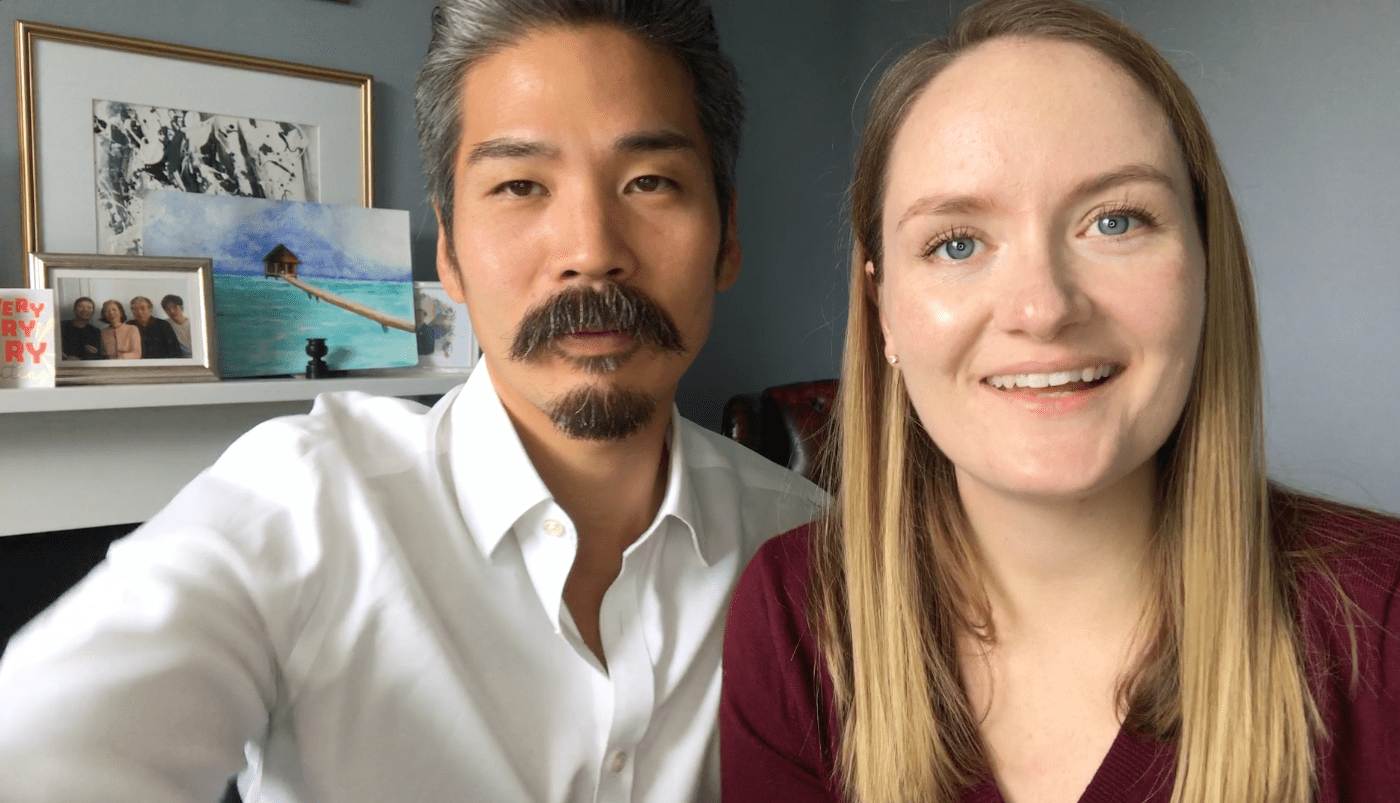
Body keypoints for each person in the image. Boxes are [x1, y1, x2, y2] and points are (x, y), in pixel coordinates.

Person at [0, 2, 825, 802]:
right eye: (519, 185)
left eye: (648, 181)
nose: (590, 251)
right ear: (450, 253)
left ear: (727, 237)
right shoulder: (305, 506)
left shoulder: (815, 552)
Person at [719, 2, 1400, 803]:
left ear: (1206, 266)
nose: (1043, 307)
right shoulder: (799, 618)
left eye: (1114, 221)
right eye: (956, 242)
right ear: (882, 310)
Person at [59, 296, 102, 360]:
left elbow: (98, 357)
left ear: (93, 312)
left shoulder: (96, 332)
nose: (85, 310)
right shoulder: (61, 326)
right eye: (81, 307)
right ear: (74, 310)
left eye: (89, 307)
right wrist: (65, 357)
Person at [160, 293, 193, 357]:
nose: (172, 311)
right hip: (179, 358)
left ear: (181, 308)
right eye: (168, 309)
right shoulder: (165, 324)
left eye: (175, 307)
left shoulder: (192, 323)